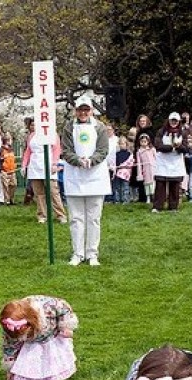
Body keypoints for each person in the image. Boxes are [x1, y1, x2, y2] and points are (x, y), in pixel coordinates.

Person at [0, 295, 78, 380]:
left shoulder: (49, 308)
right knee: (21, 362)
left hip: (48, 338)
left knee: (51, 362)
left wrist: (65, 326)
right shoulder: (10, 329)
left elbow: (64, 309)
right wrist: (9, 367)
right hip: (27, 344)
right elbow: (9, 347)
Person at [60, 96, 110, 266]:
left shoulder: (100, 127)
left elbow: (103, 150)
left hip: (95, 177)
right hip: (74, 176)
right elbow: (66, 150)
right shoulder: (68, 128)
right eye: (80, 110)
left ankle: (92, 253)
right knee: (76, 218)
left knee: (94, 218)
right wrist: (77, 160)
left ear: (91, 111)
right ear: (76, 111)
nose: (83, 113)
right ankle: (77, 253)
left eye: (86, 110)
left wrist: (91, 160)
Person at [22, 119, 68, 222]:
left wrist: (55, 163)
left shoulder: (52, 134)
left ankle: (60, 215)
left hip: (48, 164)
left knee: (53, 192)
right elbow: (28, 151)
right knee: (39, 193)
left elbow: (57, 149)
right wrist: (24, 165)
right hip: (35, 166)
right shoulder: (31, 136)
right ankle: (42, 215)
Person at [152, 112, 188, 212]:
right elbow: (157, 145)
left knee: (175, 186)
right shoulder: (161, 131)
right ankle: (157, 206)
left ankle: (173, 206)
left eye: (175, 121)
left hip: (176, 163)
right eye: (172, 120)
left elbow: (186, 148)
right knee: (160, 185)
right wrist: (170, 147)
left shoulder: (183, 133)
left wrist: (179, 146)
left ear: (179, 122)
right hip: (163, 162)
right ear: (168, 121)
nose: (173, 122)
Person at [135, 133, 156, 201]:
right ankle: (148, 197)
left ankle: (154, 197)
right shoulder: (139, 152)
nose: (143, 143)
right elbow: (139, 163)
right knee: (147, 184)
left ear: (148, 141)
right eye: (142, 141)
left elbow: (156, 158)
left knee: (154, 182)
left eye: (145, 141)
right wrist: (139, 174)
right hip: (145, 170)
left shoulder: (152, 149)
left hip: (153, 169)